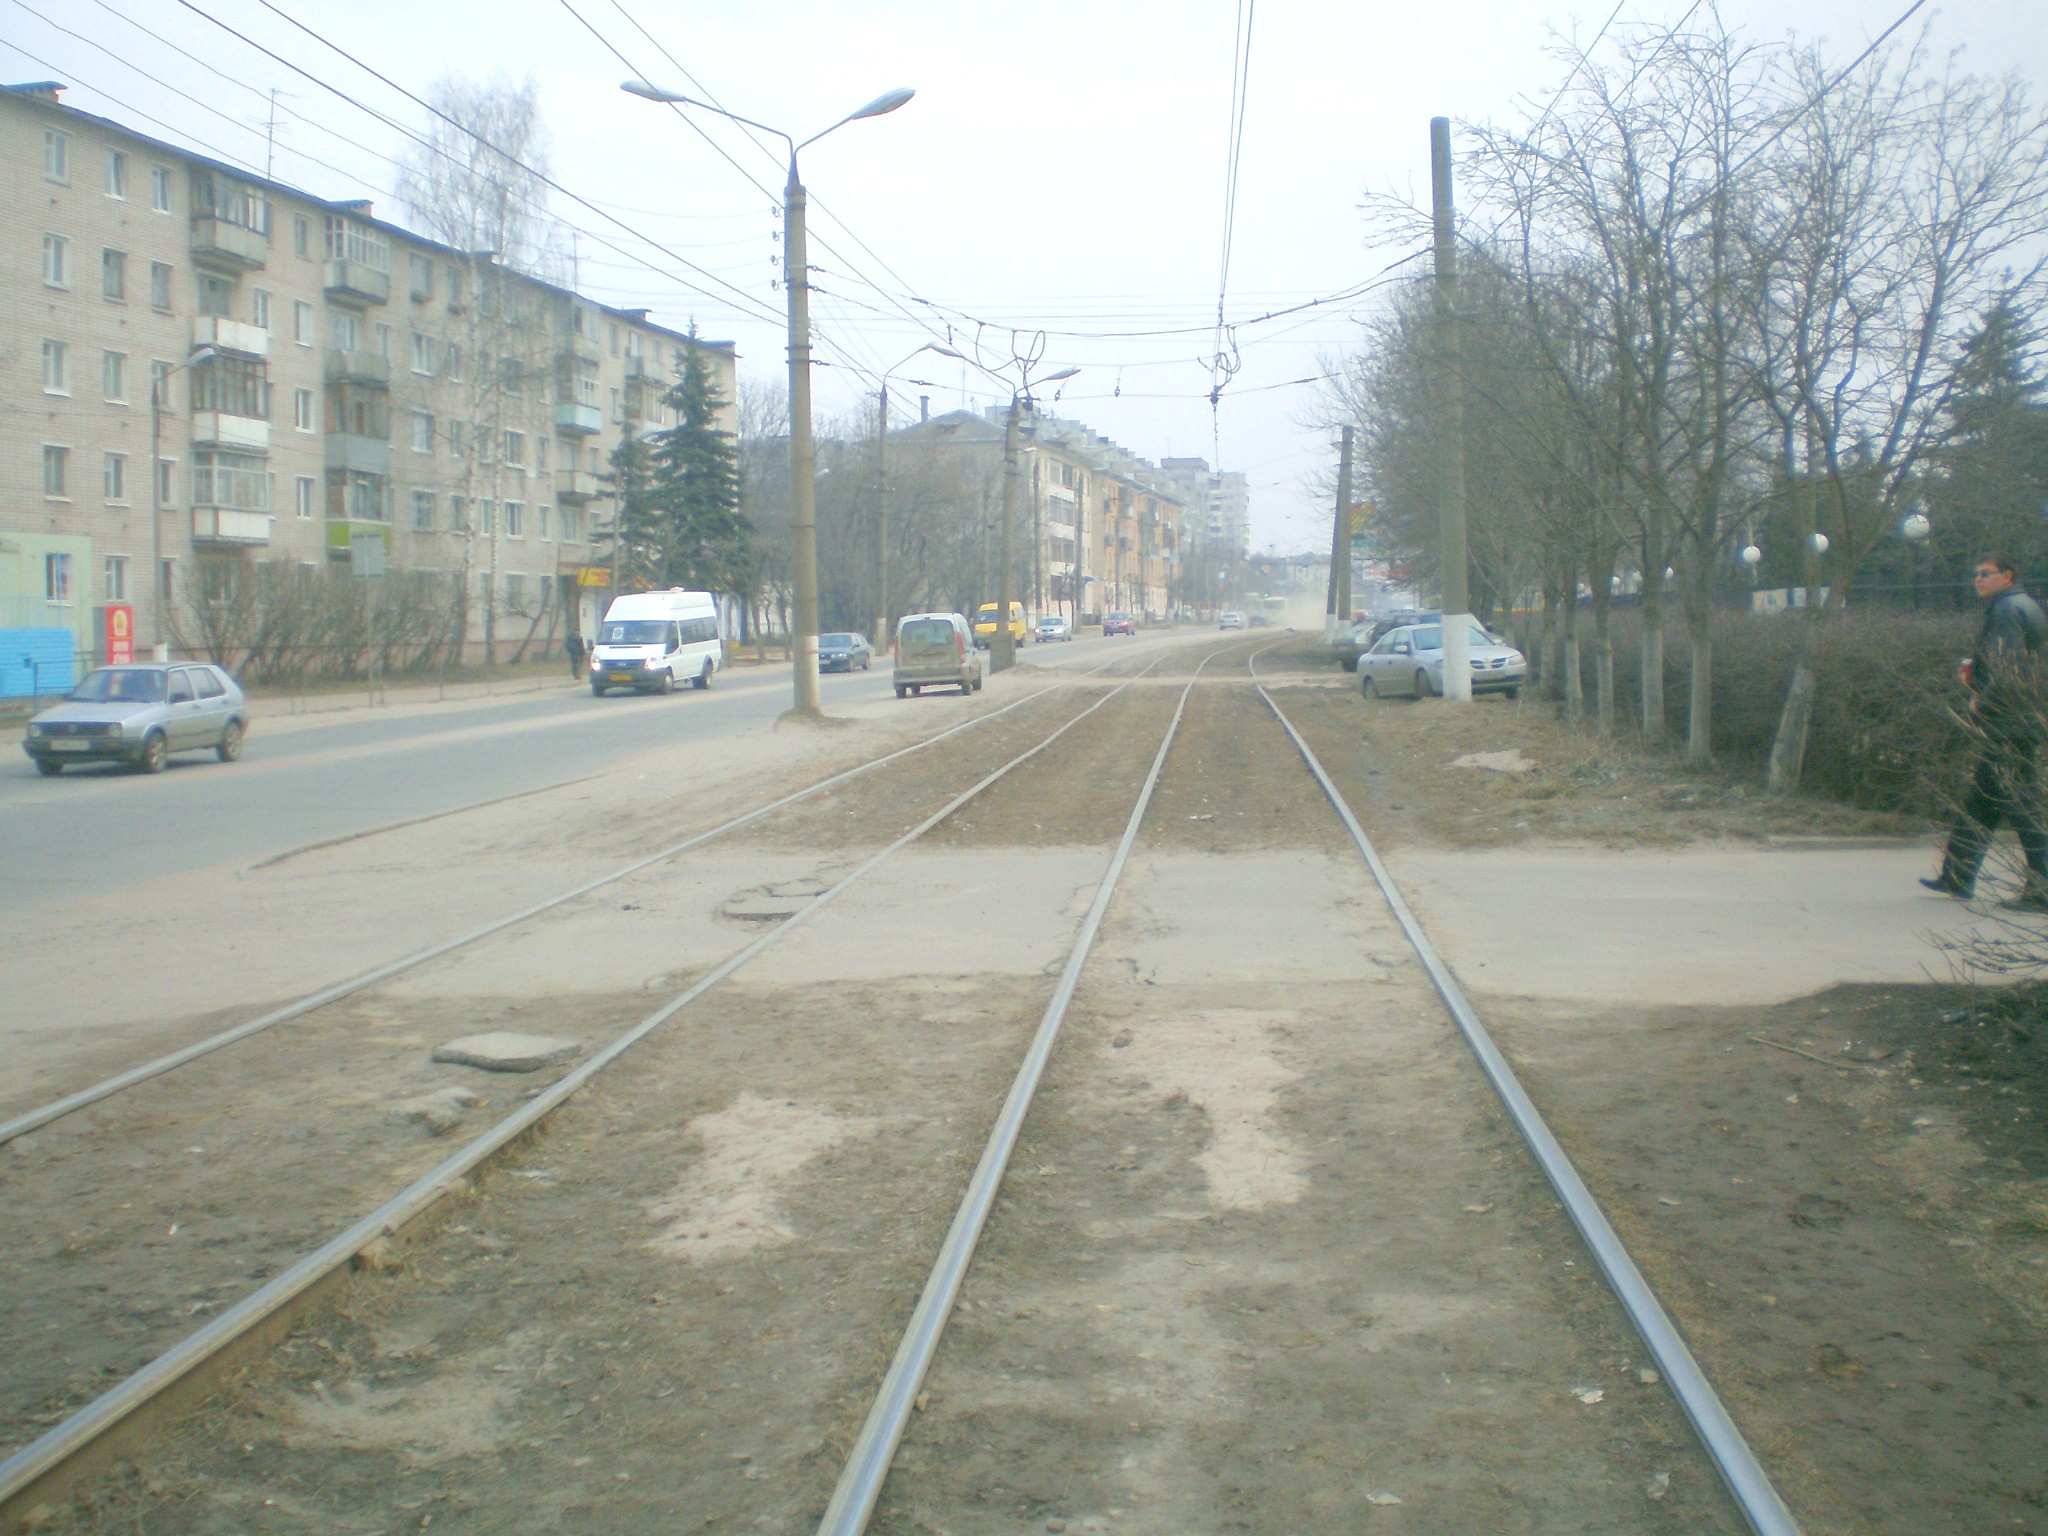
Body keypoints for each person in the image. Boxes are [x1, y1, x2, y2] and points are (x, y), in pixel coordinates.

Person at [1922, 552, 2048, 910]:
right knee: (1981, 802)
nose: (1978, 579)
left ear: (2007, 576)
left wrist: (1982, 699)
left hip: (2011, 721)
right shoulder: (2023, 605)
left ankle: (2043, 889)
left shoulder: (2008, 610)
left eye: (1986, 573)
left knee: (2023, 807)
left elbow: (2009, 665)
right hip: (2020, 718)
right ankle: (1957, 876)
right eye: (1975, 573)